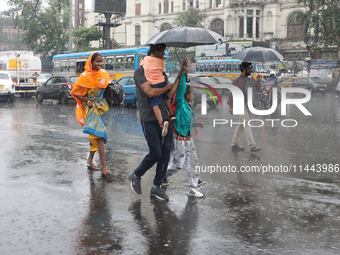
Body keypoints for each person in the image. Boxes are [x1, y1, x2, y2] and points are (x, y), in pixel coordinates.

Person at [128, 47, 188, 202]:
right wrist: (166, 86)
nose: (163, 55)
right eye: (162, 52)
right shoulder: (139, 72)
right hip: (148, 117)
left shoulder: (159, 72)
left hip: (164, 117)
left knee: (166, 152)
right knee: (156, 152)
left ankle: (157, 186)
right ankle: (136, 175)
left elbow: (168, 94)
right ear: (155, 52)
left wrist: (180, 74)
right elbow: (150, 92)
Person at [162, 72, 206, 198]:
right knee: (178, 165)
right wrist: (182, 75)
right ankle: (162, 175)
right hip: (179, 140)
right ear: (186, 96)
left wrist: (196, 125)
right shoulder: (181, 104)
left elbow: (186, 123)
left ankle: (193, 187)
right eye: (192, 94)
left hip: (188, 140)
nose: (193, 96)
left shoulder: (188, 107)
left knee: (193, 162)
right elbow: (180, 90)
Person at [71, 52, 113, 179]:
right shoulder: (85, 76)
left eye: (101, 61)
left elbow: (109, 86)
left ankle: (89, 160)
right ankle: (104, 167)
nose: (99, 64)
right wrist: (87, 101)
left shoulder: (104, 74)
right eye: (97, 61)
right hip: (91, 108)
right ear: (91, 62)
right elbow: (75, 92)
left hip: (103, 108)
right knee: (100, 136)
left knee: (96, 136)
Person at [141, 43, 176, 137]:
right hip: (162, 81)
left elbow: (142, 66)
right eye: (163, 52)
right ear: (157, 53)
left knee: (155, 105)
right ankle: (172, 114)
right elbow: (161, 70)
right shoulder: (161, 61)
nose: (164, 54)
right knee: (166, 98)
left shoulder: (145, 60)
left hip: (154, 84)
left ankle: (161, 122)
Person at [228, 62, 261, 153]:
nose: (251, 70)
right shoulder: (237, 80)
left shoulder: (251, 79)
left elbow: (258, 89)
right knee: (246, 123)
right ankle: (252, 145)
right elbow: (232, 93)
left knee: (241, 124)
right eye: (249, 68)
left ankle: (234, 143)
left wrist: (258, 81)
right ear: (244, 69)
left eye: (251, 68)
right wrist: (231, 106)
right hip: (240, 104)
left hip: (249, 104)